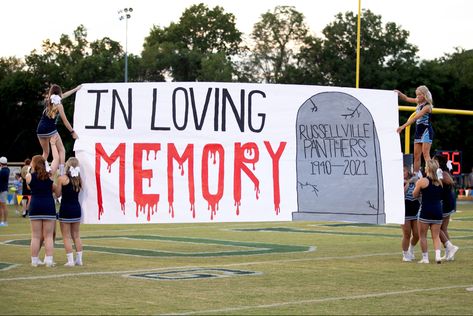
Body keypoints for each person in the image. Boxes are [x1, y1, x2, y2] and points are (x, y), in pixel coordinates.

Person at [26, 136, 60, 267]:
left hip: (35, 206)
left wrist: (34, 164)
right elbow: (56, 159)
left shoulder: (29, 176)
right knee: (48, 236)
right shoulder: (50, 174)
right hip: (48, 206)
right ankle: (49, 260)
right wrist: (52, 144)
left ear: (33, 164)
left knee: (35, 236)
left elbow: (29, 173)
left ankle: (34, 261)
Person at [37, 84, 81, 175]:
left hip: (40, 130)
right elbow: (65, 121)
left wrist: (76, 89)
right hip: (50, 129)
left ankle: (37, 171)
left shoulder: (47, 100)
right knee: (61, 150)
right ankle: (61, 173)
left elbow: (64, 95)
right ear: (59, 93)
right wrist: (72, 132)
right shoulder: (59, 105)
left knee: (45, 153)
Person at [396, 86, 434, 178]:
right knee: (416, 156)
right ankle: (416, 175)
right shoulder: (418, 102)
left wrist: (403, 126)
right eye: (416, 95)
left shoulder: (427, 106)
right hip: (419, 131)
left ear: (424, 95)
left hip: (426, 131)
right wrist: (399, 93)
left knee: (426, 154)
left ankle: (431, 174)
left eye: (419, 95)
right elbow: (406, 98)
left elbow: (416, 117)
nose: (417, 97)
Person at [413, 159, 444, 264]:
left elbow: (414, 194)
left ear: (428, 168)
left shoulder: (422, 181)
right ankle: (438, 256)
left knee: (423, 236)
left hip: (425, 210)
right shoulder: (440, 182)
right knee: (435, 236)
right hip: (438, 211)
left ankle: (425, 258)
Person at [55, 157, 83, 266]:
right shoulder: (79, 179)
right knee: (76, 235)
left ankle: (70, 261)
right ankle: (79, 260)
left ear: (68, 166)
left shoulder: (62, 178)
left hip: (66, 209)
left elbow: (57, 195)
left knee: (66, 236)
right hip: (76, 209)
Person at [434, 154, 459, 261]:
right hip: (448, 202)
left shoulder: (442, 173)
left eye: (434, 160)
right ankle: (449, 252)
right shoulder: (443, 172)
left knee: (437, 227)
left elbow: (450, 182)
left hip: (445, 203)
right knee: (443, 228)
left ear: (439, 162)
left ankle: (450, 248)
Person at [401, 165, 420, 262]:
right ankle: (405, 254)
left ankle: (411, 249)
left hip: (416, 210)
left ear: (408, 171)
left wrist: (413, 181)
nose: (403, 172)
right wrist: (407, 183)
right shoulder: (399, 182)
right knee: (407, 234)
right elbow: (401, 194)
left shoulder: (415, 180)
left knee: (417, 234)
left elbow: (419, 189)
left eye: (404, 170)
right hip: (405, 211)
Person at [0, 156, 10, 226]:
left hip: (2, 190)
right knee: (1, 206)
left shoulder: (4, 171)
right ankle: (2, 221)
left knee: (3, 206)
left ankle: (5, 221)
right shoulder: (6, 169)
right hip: (3, 189)